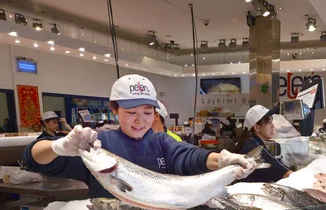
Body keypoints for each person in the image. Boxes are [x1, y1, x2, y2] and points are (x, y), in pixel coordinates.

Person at [23, 74, 255, 198]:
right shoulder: (98, 146)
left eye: (147, 112)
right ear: (114, 110)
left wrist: (223, 161)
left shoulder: (161, 142)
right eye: (131, 112)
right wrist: (57, 147)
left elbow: (190, 157)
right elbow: (33, 160)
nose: (140, 119)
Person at [235, 104, 291, 183]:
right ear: (257, 127)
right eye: (268, 122)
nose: (273, 126)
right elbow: (287, 175)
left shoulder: (249, 142)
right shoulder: (256, 149)